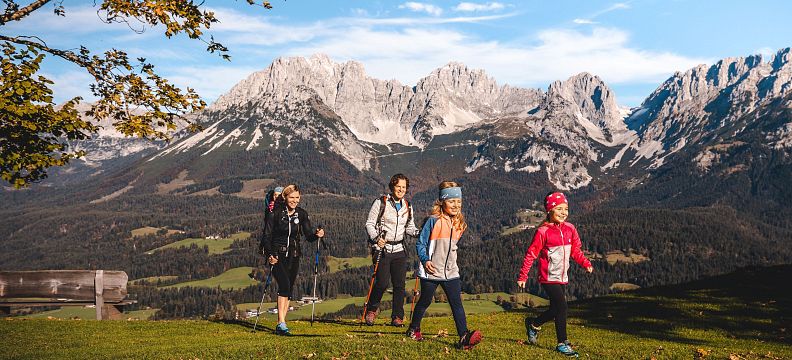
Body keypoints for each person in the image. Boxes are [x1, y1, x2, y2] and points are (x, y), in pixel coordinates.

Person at [406, 181, 482, 350]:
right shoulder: (433, 221)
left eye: (459, 202)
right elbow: (420, 243)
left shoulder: (460, 224)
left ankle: (463, 337)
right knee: (425, 301)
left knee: (457, 304)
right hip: (431, 270)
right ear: (442, 202)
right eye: (451, 201)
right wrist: (425, 260)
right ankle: (413, 329)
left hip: (451, 272)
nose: (456, 205)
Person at [516, 191, 593, 357]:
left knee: (557, 309)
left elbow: (576, 251)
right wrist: (523, 276)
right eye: (559, 209)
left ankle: (534, 324)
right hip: (548, 277)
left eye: (566, 208)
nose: (564, 212)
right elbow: (531, 254)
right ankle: (562, 343)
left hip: (562, 277)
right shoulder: (543, 232)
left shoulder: (570, 229)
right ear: (549, 211)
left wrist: (585, 263)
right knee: (562, 307)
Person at [259, 184, 325, 336]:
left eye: (297, 198)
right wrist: (270, 255)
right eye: (291, 197)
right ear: (285, 198)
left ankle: (282, 323)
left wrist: (317, 234)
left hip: (294, 255)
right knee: (284, 284)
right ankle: (281, 323)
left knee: (288, 289)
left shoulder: (301, 214)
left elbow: (308, 236)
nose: (295, 201)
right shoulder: (274, 213)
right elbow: (266, 237)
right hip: (277, 255)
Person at [363, 174, 419, 326]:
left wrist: (419, 233)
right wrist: (376, 238)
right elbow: (369, 223)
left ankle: (397, 317)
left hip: (400, 248)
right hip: (382, 248)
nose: (401, 189)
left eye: (403, 187)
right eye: (398, 186)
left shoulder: (408, 206)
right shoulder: (381, 202)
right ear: (392, 186)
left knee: (399, 284)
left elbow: (409, 227)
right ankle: (372, 310)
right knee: (381, 282)